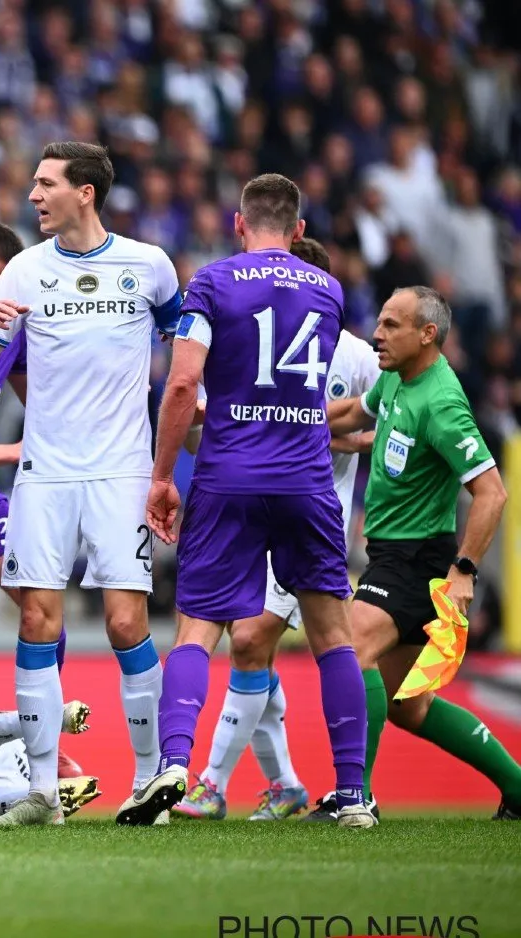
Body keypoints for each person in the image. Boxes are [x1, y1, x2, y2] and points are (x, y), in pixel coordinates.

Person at [119, 173, 376, 829]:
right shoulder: (329, 290)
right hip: (307, 478)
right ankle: (353, 796)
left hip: (229, 474)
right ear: (298, 231)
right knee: (331, 635)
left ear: (238, 225)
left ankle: (174, 766)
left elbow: (181, 386)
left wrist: (161, 477)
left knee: (198, 629)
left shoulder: (211, 282)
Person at [0, 142, 179, 826]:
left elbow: (186, 351)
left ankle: (151, 782)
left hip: (122, 468)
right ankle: (40, 791)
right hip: (45, 471)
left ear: (85, 192)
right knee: (37, 618)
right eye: (33, 184)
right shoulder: (24, 269)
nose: (34, 195)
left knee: (127, 622)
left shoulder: (149, 266)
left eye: (46, 184)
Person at [174, 236, 378, 822]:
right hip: (252, 501)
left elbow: (390, 424)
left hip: (313, 511)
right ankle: (286, 782)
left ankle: (210, 784)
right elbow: (201, 422)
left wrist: (351, 444)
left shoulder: (359, 358)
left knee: (248, 639)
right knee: (249, 648)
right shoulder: (243, 341)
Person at [319, 286, 519, 822]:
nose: (377, 335)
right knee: (410, 706)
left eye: (390, 325)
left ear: (426, 334)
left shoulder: (442, 402)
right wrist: (286, 420)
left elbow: (492, 492)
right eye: (379, 323)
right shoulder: (394, 378)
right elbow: (352, 413)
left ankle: (354, 797)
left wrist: (464, 570)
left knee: (351, 645)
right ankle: (519, 789)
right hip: (390, 551)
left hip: (416, 560)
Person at [0, 221, 92, 786]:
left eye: (13, 283)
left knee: (43, 606)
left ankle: (43, 749)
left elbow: (39, 398)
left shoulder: (13, 330)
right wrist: (12, 450)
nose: (4, 295)